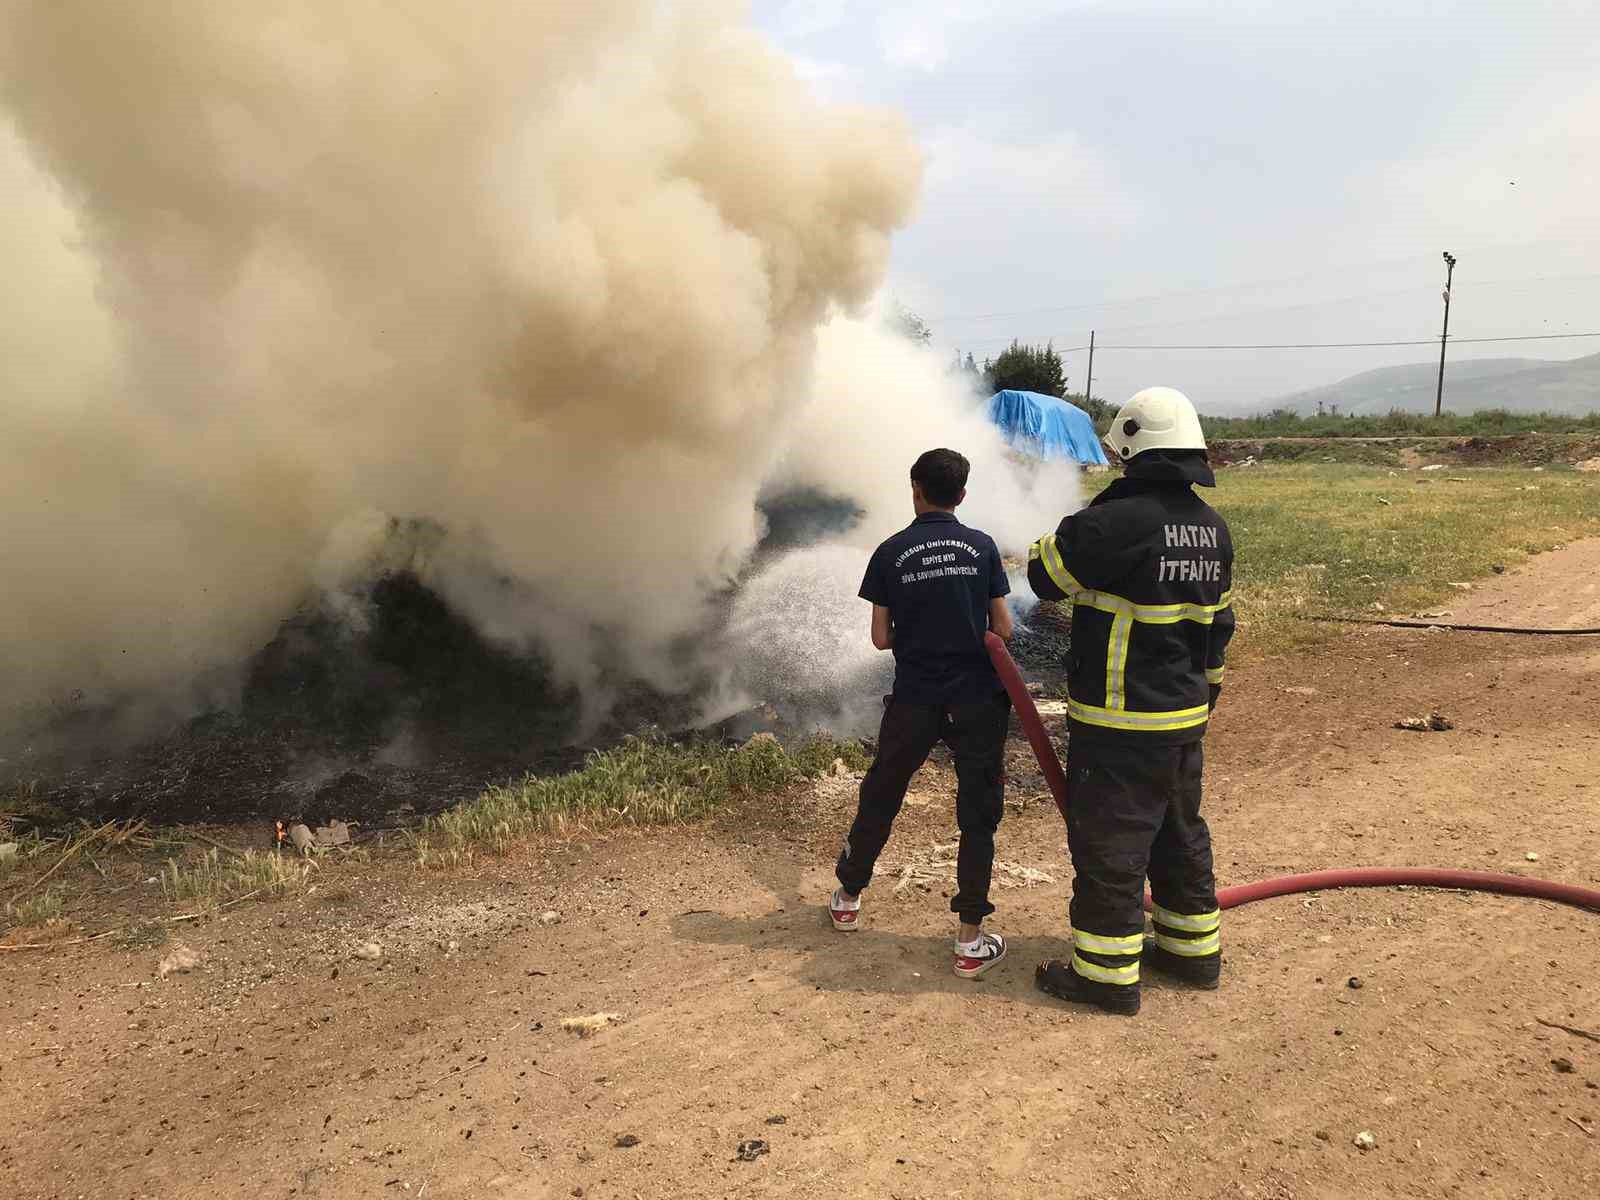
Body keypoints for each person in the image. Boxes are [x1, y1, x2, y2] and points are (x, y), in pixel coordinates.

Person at [1025, 387, 1235, 1016]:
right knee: (1178, 833)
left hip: (1120, 719)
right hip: (1183, 715)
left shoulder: (1115, 522)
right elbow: (1218, 626)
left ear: (1132, 451)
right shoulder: (1212, 529)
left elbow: (1046, 577)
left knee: (1110, 844)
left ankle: (1106, 976)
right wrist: (1205, 697)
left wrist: (1098, 509)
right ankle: (1192, 953)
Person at [830, 448, 1015, 979]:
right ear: (962, 493)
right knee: (978, 811)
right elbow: (1002, 629)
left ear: (915, 489)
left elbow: (880, 637)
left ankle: (847, 898)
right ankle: (969, 940)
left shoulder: (890, 553)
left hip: (914, 698)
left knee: (883, 791)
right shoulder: (981, 548)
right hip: (977, 699)